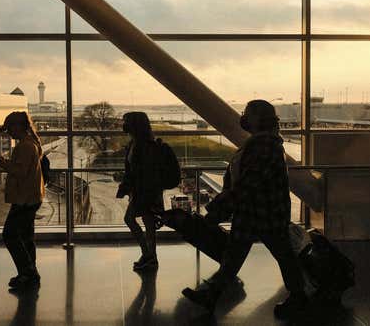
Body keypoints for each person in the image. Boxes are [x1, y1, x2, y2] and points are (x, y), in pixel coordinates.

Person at [181, 100, 307, 319]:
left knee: (278, 255)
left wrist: (218, 210)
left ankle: (298, 297)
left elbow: (248, 184)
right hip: (259, 212)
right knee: (240, 256)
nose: (243, 117)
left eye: (247, 114)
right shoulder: (263, 143)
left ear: (257, 119)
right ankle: (212, 294)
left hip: (261, 213)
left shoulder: (264, 146)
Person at [0, 111, 45, 289]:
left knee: (10, 235)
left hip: (24, 198)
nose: (8, 133)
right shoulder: (32, 144)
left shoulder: (24, 147)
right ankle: (30, 274)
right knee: (26, 236)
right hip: (32, 196)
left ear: (18, 126)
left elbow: (20, 172)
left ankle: (28, 273)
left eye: (9, 128)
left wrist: (3, 164)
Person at [117, 112, 164, 271]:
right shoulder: (136, 143)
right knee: (148, 225)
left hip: (145, 193)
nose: (124, 125)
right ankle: (150, 257)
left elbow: (142, 172)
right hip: (143, 192)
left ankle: (148, 255)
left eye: (126, 122)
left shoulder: (143, 146)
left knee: (132, 219)